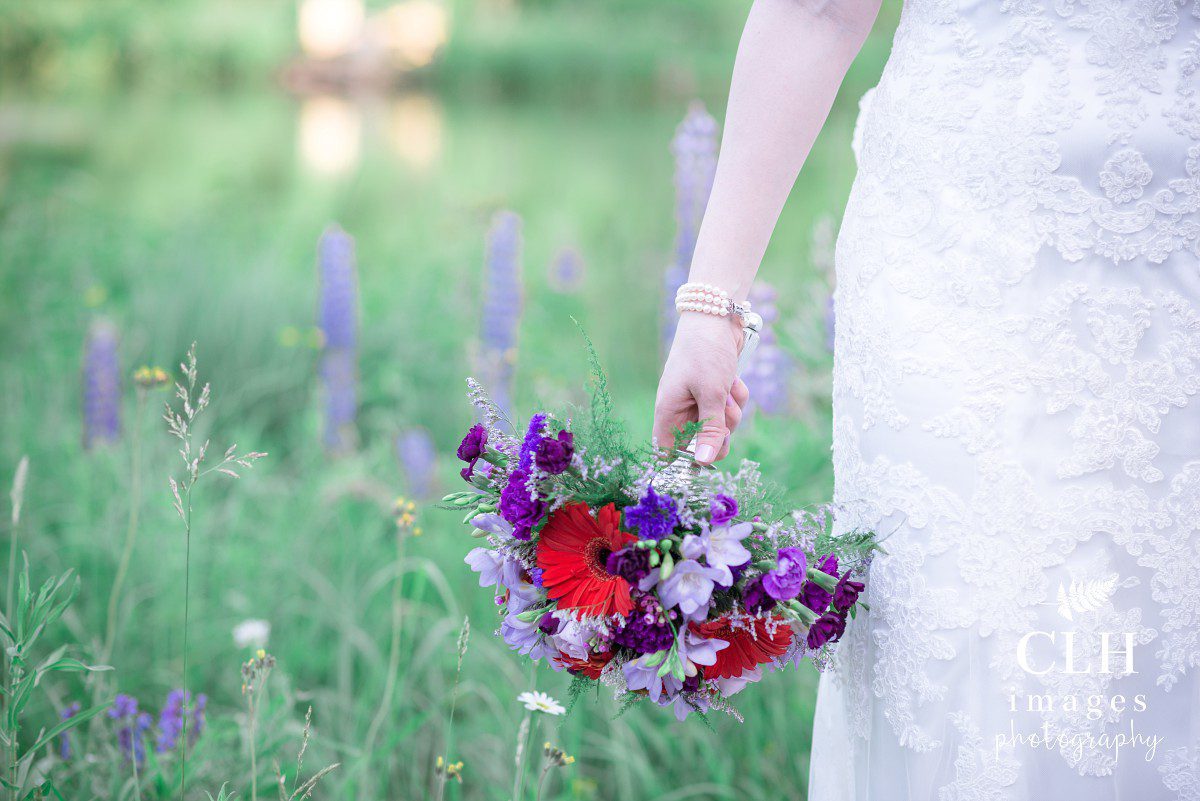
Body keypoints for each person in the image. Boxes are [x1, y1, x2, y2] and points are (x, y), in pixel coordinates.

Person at [652, 0, 1200, 798]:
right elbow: (818, 8)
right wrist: (711, 304)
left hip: (1176, 259)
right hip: (953, 257)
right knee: (963, 648)